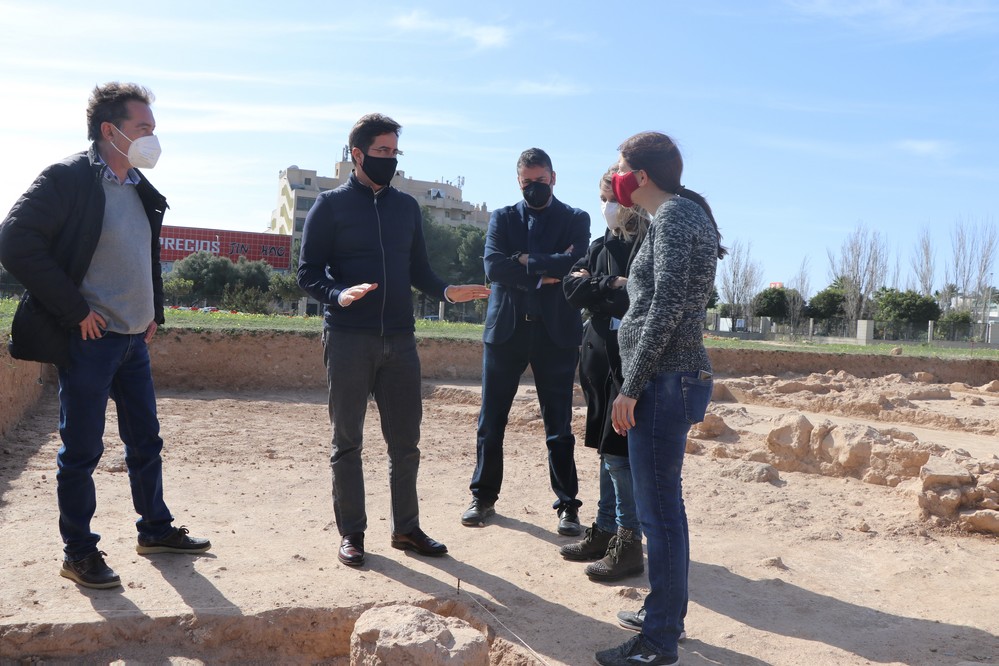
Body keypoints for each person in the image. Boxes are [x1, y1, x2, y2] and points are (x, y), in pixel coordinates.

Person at [0, 82, 211, 591]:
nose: (152, 138)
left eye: (153, 130)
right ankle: (79, 553)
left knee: (146, 441)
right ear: (109, 131)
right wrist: (75, 312)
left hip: (134, 339)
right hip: (91, 341)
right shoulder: (68, 178)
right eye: (144, 129)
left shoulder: (137, 183)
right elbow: (13, 240)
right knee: (81, 451)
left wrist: (153, 310)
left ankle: (155, 530)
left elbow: (145, 254)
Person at [297, 113, 490, 567]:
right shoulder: (329, 206)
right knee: (347, 441)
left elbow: (419, 270)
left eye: (395, 152)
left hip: (400, 341)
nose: (391, 160)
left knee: (406, 442)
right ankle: (352, 534)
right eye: (382, 151)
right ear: (357, 154)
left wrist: (446, 291)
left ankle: (406, 528)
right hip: (348, 338)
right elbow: (307, 272)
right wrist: (338, 294)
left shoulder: (407, 208)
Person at [594, 132, 725, 666]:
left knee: (660, 514)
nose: (615, 175)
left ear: (641, 176)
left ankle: (659, 640)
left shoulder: (674, 218)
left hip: (664, 381)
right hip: (670, 377)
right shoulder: (675, 217)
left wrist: (632, 385)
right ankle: (662, 615)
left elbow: (666, 308)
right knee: (662, 510)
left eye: (621, 166)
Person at [461, 148, 589, 535]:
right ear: (519, 182)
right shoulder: (502, 217)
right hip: (506, 331)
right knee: (491, 421)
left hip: (556, 334)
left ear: (554, 177)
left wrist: (521, 260)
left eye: (541, 180)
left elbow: (576, 265)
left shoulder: (575, 218)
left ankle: (568, 506)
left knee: (559, 425)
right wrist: (543, 268)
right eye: (528, 182)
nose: (535, 187)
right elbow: (492, 268)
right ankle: (482, 498)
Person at [560, 166, 648, 580]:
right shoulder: (599, 246)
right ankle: (605, 529)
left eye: (611, 197)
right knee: (604, 448)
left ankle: (629, 542)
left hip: (629, 362)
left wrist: (600, 289)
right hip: (597, 360)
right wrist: (612, 283)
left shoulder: (648, 243)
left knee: (619, 453)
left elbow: (640, 297)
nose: (608, 206)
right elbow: (570, 287)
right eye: (602, 198)